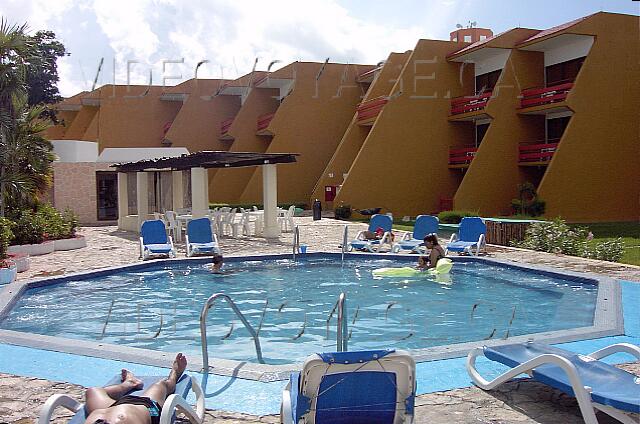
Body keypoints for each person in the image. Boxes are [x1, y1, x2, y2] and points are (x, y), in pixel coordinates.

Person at [84, 352, 187, 424]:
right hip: (147, 407)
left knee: (92, 391)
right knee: (161, 385)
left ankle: (129, 384)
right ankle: (175, 374)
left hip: (110, 408)